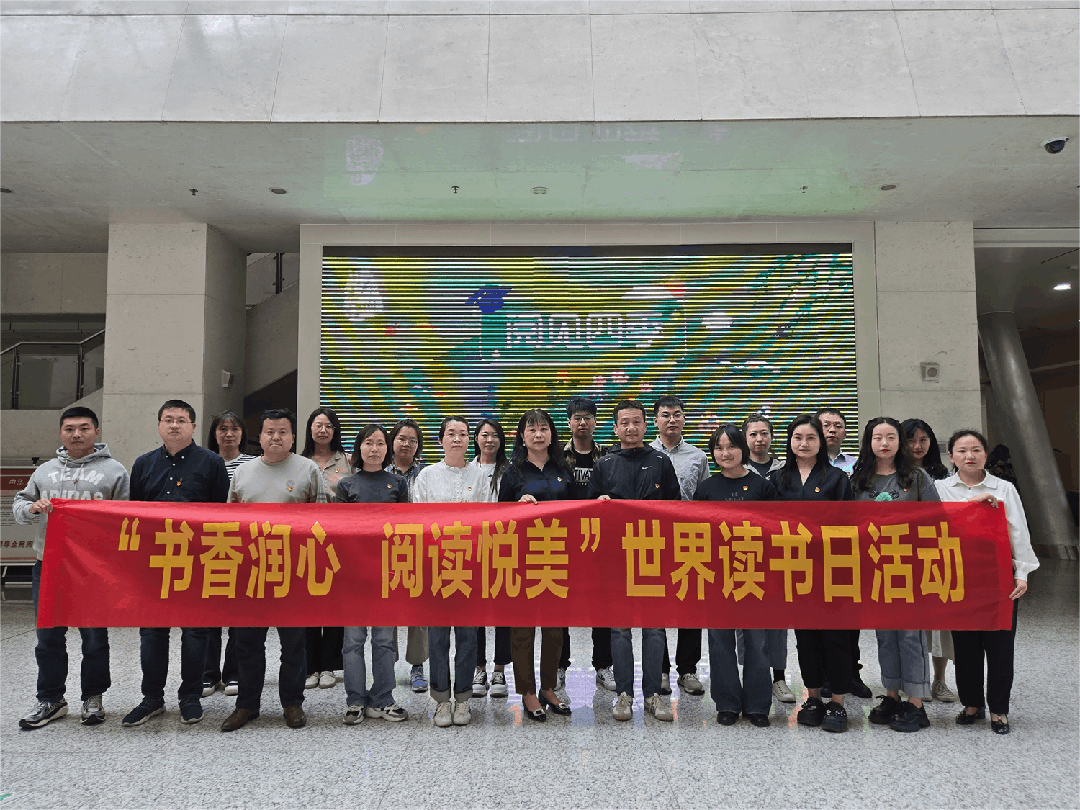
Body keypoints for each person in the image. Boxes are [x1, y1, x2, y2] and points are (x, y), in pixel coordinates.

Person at [15, 407, 130, 730]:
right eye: (69, 429)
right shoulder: (45, 471)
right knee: (48, 636)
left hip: (93, 569)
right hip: (49, 565)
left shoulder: (115, 471)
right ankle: (50, 699)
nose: (76, 434)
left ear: (96, 431)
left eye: (83, 428)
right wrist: (32, 507)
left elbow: (127, 518)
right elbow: (20, 504)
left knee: (94, 637)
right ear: (61, 432)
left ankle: (93, 697)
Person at [124, 399, 230, 728]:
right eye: (168, 420)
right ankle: (152, 698)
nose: (174, 425)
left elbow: (220, 514)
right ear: (159, 425)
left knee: (196, 631)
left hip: (197, 560)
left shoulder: (211, 463)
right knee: (152, 632)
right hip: (155, 562)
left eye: (181, 420)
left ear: (193, 427)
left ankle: (190, 697)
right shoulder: (143, 464)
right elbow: (135, 514)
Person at [221, 408, 326, 732]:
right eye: (269, 432)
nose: (276, 437)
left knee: (294, 644)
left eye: (283, 432)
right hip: (251, 572)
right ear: (260, 436)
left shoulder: (308, 470)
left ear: (293, 437)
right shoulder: (243, 473)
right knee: (247, 643)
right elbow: (229, 523)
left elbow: (323, 522)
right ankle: (246, 705)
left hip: (293, 571)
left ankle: (292, 703)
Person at [936, 429, 1038, 735]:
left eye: (976, 450)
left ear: (985, 454)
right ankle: (971, 704)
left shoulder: (1004, 488)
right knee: (965, 646)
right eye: (962, 450)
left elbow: (1018, 531)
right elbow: (933, 525)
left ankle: (999, 709)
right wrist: (973, 505)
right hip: (959, 578)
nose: (969, 456)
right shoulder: (940, 488)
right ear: (951, 456)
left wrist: (1022, 573)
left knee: (1000, 647)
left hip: (997, 579)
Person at [589, 400, 681, 722]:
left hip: (653, 556)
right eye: (624, 423)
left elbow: (676, 508)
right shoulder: (604, 464)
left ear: (646, 425)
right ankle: (624, 694)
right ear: (615, 428)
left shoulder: (661, 461)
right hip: (616, 559)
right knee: (619, 630)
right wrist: (598, 504)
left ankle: (654, 695)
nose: (631, 428)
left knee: (654, 628)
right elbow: (588, 515)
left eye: (636, 422)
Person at [851, 417, 939, 733]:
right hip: (874, 568)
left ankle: (915, 703)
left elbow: (936, 519)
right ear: (869, 442)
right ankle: (891, 695)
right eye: (878, 437)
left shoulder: (916, 477)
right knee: (885, 635)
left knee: (910, 635)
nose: (884, 443)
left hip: (909, 567)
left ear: (899, 441)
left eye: (891, 437)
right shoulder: (859, 479)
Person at [769, 414, 854, 733]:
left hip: (831, 568)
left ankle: (838, 702)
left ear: (820, 442)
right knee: (806, 637)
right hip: (795, 568)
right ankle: (814, 697)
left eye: (810, 438)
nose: (803, 444)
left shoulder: (837, 479)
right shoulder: (778, 479)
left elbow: (847, 524)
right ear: (789, 442)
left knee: (835, 636)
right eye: (798, 438)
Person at [412, 415, 496, 727]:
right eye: (451, 433)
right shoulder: (427, 476)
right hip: (436, 565)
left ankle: (462, 699)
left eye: (463, 433)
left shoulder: (481, 476)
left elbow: (490, 521)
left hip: (470, 566)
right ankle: (441, 700)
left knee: (468, 635)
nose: (457, 439)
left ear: (469, 440)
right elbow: (417, 522)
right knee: (437, 637)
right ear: (441, 440)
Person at [694, 424, 777, 728]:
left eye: (731, 446)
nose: (725, 453)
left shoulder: (762, 487)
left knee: (757, 642)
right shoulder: (706, 489)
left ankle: (757, 705)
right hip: (717, 575)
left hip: (755, 574)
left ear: (743, 449)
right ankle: (727, 703)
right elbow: (695, 533)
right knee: (720, 642)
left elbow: (775, 531)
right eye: (718, 448)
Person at [498, 408, 574, 722]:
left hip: (557, 557)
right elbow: (499, 517)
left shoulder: (564, 469)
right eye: (531, 429)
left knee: (555, 628)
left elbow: (577, 510)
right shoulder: (513, 472)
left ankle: (548, 687)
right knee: (523, 628)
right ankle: (527, 691)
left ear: (552, 434)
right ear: (522, 436)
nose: (538, 434)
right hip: (523, 558)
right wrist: (517, 507)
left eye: (544, 428)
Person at [336, 424, 410, 725]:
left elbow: (406, 529)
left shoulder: (398, 483)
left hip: (387, 573)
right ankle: (355, 700)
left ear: (387, 448)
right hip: (354, 574)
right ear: (359, 447)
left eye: (380, 443)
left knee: (384, 640)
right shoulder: (346, 485)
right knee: (353, 641)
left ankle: (383, 699)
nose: (374, 448)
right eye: (368, 442)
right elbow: (339, 532)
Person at [650, 396, 711, 697]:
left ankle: (687, 669)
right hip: (654, 538)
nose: (671, 420)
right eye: (665, 415)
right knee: (657, 604)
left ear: (684, 418)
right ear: (656, 421)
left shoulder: (698, 456)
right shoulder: (645, 454)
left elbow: (705, 498)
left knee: (690, 604)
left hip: (689, 538)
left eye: (677, 414)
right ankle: (660, 669)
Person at [812, 406, 872, 699]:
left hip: (851, 550)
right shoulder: (804, 466)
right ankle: (824, 674)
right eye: (825, 425)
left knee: (850, 617)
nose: (831, 430)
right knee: (820, 617)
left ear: (846, 431)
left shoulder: (859, 467)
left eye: (837, 425)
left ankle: (852, 674)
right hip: (815, 552)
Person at [902, 417, 957, 703]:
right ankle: (913, 679)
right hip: (902, 555)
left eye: (923, 440)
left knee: (939, 621)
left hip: (936, 554)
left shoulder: (943, 476)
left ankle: (939, 680)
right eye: (911, 440)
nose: (917, 445)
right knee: (910, 622)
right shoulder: (894, 475)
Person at [202, 411, 257, 699]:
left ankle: (234, 671)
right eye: (222, 429)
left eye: (234, 428)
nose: (229, 434)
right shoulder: (204, 462)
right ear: (214, 433)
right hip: (209, 546)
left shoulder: (253, 464)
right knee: (209, 613)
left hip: (243, 546)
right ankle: (208, 673)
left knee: (239, 613)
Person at [740, 413, 794, 703]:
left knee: (777, 617)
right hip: (744, 552)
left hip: (777, 554)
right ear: (744, 439)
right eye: (753, 434)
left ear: (772, 437)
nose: (759, 439)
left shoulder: (786, 470)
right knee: (745, 618)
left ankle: (779, 677)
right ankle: (751, 674)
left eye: (764, 433)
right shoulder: (735, 468)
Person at [563, 396, 614, 692]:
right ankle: (560, 665)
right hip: (565, 540)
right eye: (577, 417)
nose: (582, 422)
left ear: (595, 422)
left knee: (602, 604)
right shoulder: (557, 456)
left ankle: (604, 665)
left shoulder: (608, 455)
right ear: (569, 422)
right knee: (562, 603)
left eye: (587, 417)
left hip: (600, 541)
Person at [301, 407, 351, 691]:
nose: (323, 430)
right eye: (318, 425)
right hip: (306, 543)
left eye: (328, 426)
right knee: (309, 603)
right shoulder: (299, 461)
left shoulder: (348, 461)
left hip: (338, 542)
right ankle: (310, 665)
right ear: (310, 429)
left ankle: (330, 664)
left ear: (335, 431)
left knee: (335, 603)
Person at [385, 418, 430, 693]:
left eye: (413, 440)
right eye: (402, 438)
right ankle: (386, 665)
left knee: (418, 609)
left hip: (420, 546)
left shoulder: (427, 473)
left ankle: (417, 665)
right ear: (392, 441)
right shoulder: (379, 471)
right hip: (387, 547)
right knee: (387, 608)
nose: (407, 444)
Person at [469, 418, 511, 698]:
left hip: (503, 546)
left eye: (495, 435)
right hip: (472, 548)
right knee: (476, 612)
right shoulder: (466, 470)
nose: (489, 440)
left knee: (502, 611)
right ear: (476, 438)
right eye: (484, 435)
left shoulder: (510, 470)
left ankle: (499, 670)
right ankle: (479, 668)